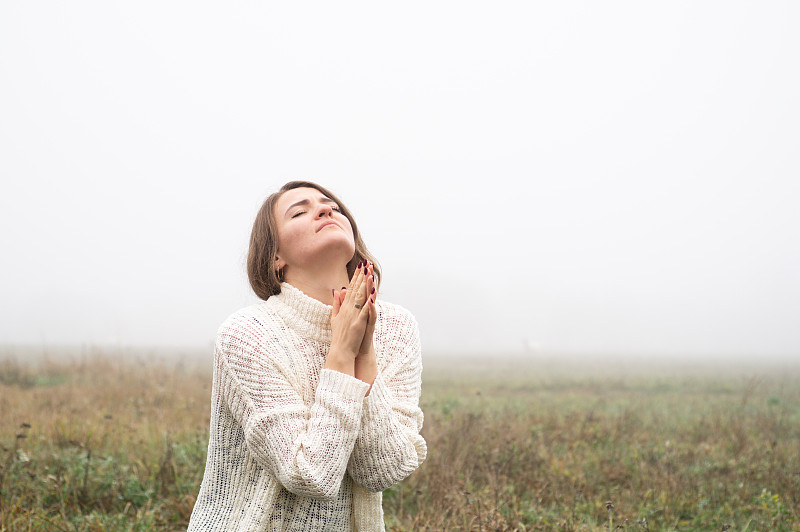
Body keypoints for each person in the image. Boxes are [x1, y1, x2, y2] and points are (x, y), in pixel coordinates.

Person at [188, 181, 427, 531]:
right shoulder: (248, 334)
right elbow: (311, 474)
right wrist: (342, 352)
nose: (326, 210)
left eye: (333, 206)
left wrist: (365, 352)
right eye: (299, 211)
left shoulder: (395, 328)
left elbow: (382, 469)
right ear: (275, 257)